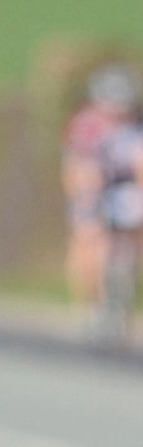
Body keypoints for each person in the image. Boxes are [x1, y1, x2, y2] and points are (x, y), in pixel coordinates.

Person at [62, 65, 143, 335]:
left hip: (125, 189)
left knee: (132, 240)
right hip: (92, 189)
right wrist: (88, 202)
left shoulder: (135, 125)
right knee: (90, 240)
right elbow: (80, 168)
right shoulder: (88, 125)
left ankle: (123, 302)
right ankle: (90, 306)